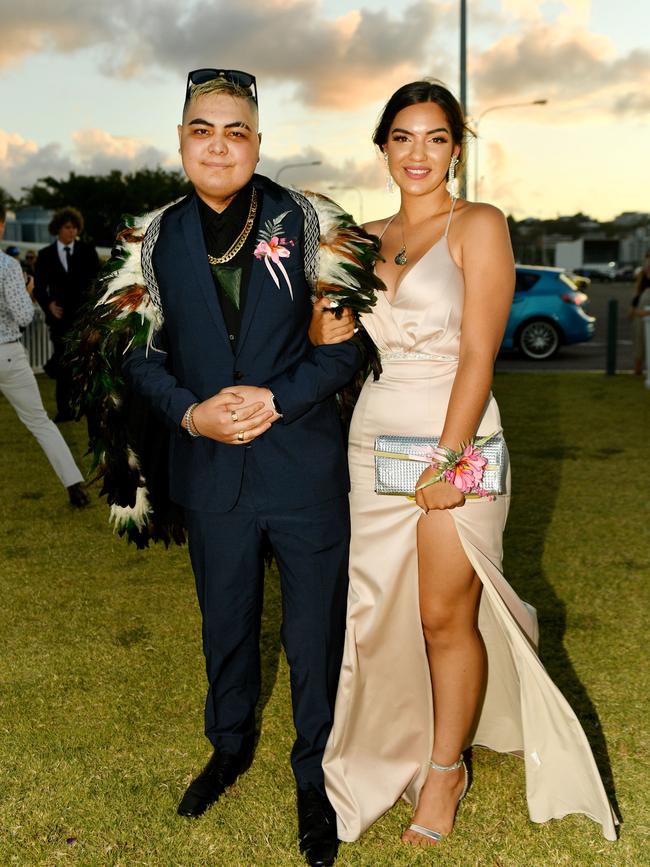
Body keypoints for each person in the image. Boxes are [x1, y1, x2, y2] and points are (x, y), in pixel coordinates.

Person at [321, 81, 618, 846]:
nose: (418, 154)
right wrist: (325, 284)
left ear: (457, 147)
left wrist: (448, 464)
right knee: (378, 615)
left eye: (436, 138)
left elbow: (480, 354)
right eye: (403, 138)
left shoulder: (479, 224)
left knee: (442, 614)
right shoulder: (359, 236)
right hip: (372, 440)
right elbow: (332, 348)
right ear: (382, 146)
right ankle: (396, 743)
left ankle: (446, 768)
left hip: (459, 445)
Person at [115, 70, 365, 867]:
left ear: (259, 142)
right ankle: (227, 745)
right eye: (201, 129)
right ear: (181, 139)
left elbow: (349, 347)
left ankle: (315, 772)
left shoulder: (313, 221)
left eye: (235, 131)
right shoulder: (150, 236)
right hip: (211, 471)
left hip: (301, 467)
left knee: (311, 629)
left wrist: (275, 397)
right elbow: (133, 353)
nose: (217, 145)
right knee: (225, 622)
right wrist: (190, 411)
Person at [0, 204, 89, 507]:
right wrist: (28, 290)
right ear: (2, 226)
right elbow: (24, 316)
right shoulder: (7, 266)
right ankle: (74, 484)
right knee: (40, 422)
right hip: (8, 354)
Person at [33, 207, 100, 421]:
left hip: (84, 319)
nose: (72, 232)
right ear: (58, 229)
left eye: (75, 228)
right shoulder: (45, 255)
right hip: (60, 320)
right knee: (63, 368)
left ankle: (89, 408)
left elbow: (97, 282)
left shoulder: (88, 250)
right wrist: (48, 305)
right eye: (67, 228)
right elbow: (39, 288)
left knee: (88, 364)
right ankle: (65, 411)